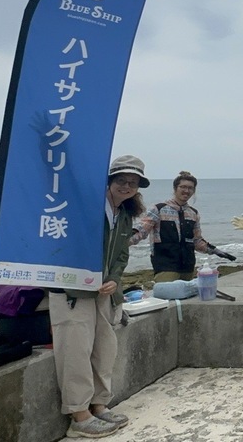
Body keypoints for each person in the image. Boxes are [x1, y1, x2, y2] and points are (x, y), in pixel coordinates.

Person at [51, 155, 145, 438]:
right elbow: (63, 243)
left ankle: (99, 405)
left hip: (105, 293)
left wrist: (114, 279)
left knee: (104, 349)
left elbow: (122, 253)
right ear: (109, 180)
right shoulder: (85, 206)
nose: (126, 186)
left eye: (133, 183)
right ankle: (79, 416)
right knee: (75, 350)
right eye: (121, 180)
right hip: (73, 291)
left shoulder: (124, 213)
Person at [129, 170, 211, 282]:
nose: (186, 191)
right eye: (183, 187)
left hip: (188, 267)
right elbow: (141, 230)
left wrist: (214, 250)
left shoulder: (193, 213)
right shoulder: (158, 209)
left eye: (190, 188)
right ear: (175, 188)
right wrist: (123, 243)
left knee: (187, 293)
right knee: (168, 293)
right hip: (165, 266)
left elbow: (196, 241)